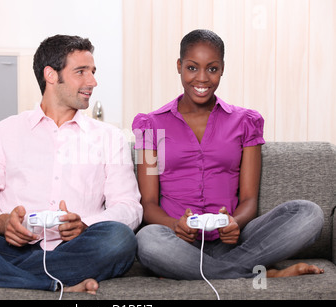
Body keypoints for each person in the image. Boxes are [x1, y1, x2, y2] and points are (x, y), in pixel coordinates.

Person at [0, 35, 142, 294]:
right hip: (5, 249)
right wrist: (2, 222)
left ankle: (3, 276)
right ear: (51, 75)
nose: (93, 82)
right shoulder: (5, 131)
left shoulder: (109, 138)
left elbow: (128, 207)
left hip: (74, 248)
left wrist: (87, 226)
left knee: (120, 240)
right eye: (81, 72)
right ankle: (46, 282)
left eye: (93, 72)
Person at [132, 29, 324, 281]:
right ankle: (262, 273)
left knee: (308, 213)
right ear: (179, 66)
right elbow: (148, 205)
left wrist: (234, 222)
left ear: (222, 69)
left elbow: (248, 200)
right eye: (192, 68)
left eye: (212, 69)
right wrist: (175, 225)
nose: (202, 78)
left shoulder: (246, 122)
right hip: (177, 241)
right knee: (147, 240)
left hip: (234, 240)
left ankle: (199, 270)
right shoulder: (150, 124)